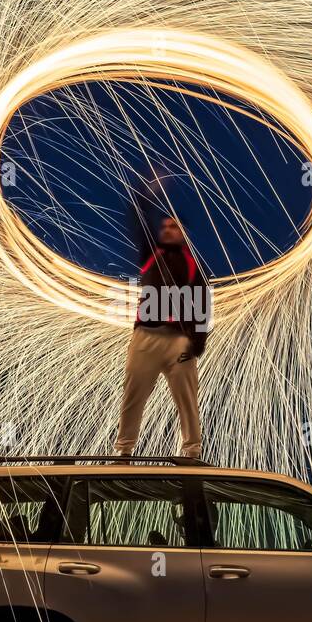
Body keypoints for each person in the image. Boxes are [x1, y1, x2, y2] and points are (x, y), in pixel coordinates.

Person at [113, 185, 211, 459]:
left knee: (187, 400)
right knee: (133, 396)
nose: (168, 229)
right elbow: (137, 218)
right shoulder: (150, 254)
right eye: (165, 226)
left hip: (179, 341)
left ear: (184, 234)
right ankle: (124, 452)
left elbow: (203, 305)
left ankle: (192, 452)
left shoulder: (195, 265)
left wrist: (197, 343)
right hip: (145, 337)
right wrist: (148, 193)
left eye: (174, 227)